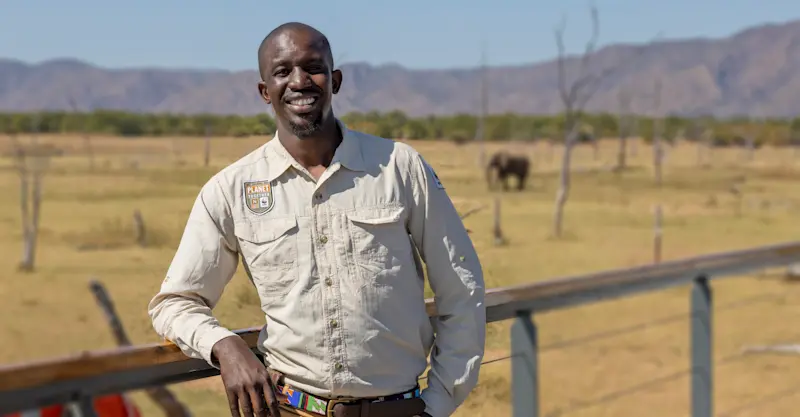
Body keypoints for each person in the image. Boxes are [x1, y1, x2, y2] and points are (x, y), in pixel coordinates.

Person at [148, 21, 486, 417]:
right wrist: (225, 346)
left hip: (398, 409)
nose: (299, 81)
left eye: (313, 67)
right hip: (291, 408)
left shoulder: (399, 166)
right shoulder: (232, 189)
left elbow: (462, 287)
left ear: (335, 80)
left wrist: (439, 402)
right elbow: (174, 303)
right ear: (264, 91)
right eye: (282, 71)